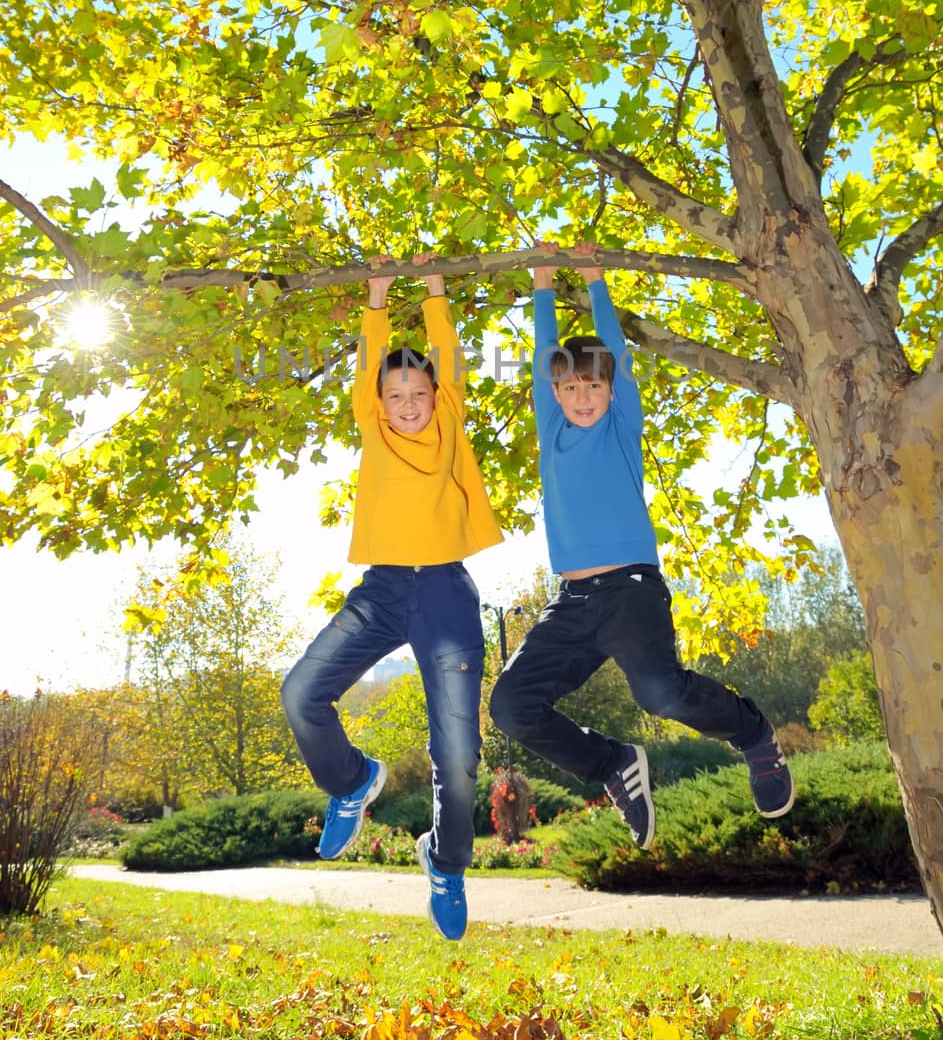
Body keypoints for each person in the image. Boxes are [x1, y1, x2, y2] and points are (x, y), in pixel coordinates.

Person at [489, 244, 793, 849]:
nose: (581, 397)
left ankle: (753, 734)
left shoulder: (622, 428)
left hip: (630, 592)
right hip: (571, 604)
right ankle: (612, 767)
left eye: (592, 388)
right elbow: (541, 358)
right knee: (511, 706)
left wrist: (596, 281)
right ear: (555, 392)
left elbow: (617, 356)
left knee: (659, 693)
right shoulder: (551, 430)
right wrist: (542, 285)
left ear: (609, 391)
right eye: (570, 388)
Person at [281, 263, 502, 940]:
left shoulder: (449, 424)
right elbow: (368, 364)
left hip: (444, 592)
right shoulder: (373, 427)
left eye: (419, 391)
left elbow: (451, 361)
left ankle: (446, 859)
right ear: (379, 401)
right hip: (381, 590)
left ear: (437, 395)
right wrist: (375, 299)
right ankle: (351, 781)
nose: (408, 402)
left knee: (457, 751)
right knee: (301, 694)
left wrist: (436, 295)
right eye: (395, 392)